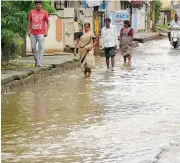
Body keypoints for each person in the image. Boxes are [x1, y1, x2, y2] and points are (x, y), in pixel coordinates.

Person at [28, 0, 50, 67]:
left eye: (39, 4)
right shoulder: (32, 12)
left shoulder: (44, 13)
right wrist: (29, 30)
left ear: (41, 5)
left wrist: (46, 31)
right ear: (35, 5)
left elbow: (48, 23)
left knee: (41, 48)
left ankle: (39, 63)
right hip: (33, 33)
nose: (38, 5)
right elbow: (29, 22)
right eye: (37, 4)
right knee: (33, 48)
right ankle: (37, 60)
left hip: (41, 33)